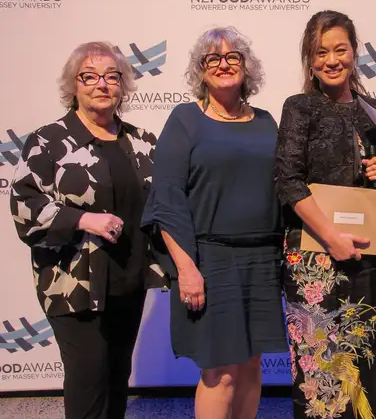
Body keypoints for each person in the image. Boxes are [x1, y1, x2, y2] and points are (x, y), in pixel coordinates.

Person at [9, 42, 166, 419]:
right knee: (89, 380)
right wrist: (82, 219)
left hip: (128, 280)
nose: (102, 84)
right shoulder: (50, 140)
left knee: (116, 378)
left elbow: (162, 203)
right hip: (74, 285)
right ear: (74, 85)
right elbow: (23, 205)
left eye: (111, 76)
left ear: (123, 85)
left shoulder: (143, 142)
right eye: (90, 76)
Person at [141, 26, 287, 419]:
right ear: (201, 71)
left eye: (232, 57)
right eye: (213, 59)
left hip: (263, 260)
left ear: (246, 66)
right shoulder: (185, 119)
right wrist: (186, 268)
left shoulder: (267, 121)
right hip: (210, 260)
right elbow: (166, 199)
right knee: (219, 374)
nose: (224, 64)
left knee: (252, 365)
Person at [275, 10, 376, 419]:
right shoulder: (299, 107)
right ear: (309, 61)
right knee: (320, 366)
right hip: (312, 258)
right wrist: (331, 235)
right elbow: (287, 181)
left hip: (366, 257)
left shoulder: (375, 110)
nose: (332, 60)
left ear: (354, 52)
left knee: (363, 360)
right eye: (320, 52)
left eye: (340, 50)